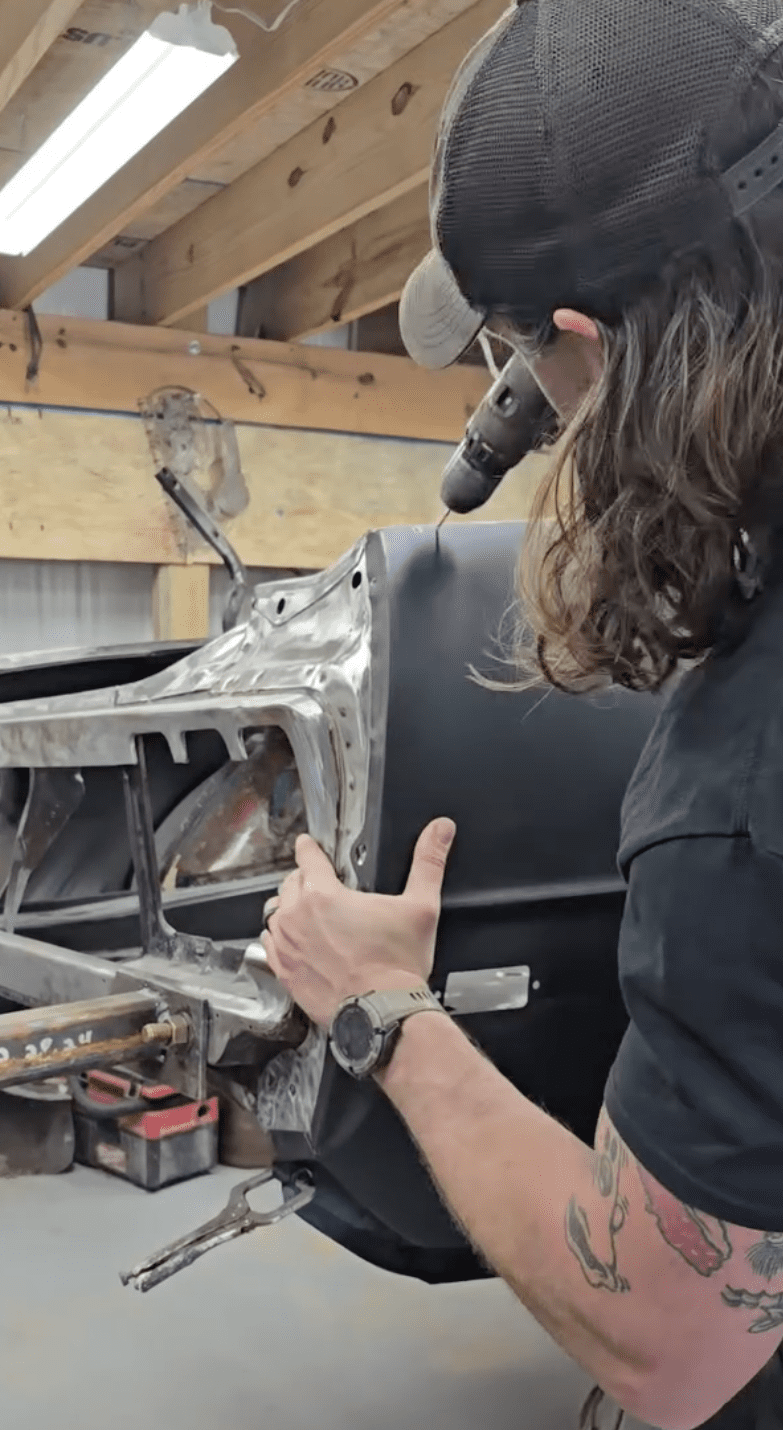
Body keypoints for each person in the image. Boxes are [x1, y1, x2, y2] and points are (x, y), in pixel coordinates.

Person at [262, 2, 783, 1427]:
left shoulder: (736, 785)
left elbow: (667, 1332)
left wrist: (385, 1009)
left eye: (521, 362)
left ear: (584, 348)